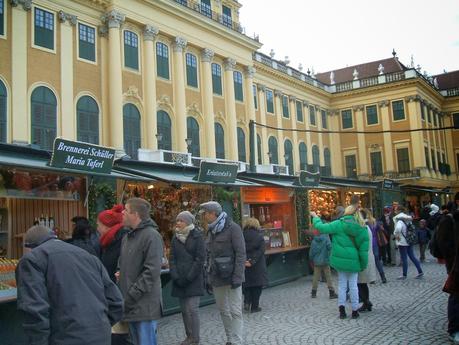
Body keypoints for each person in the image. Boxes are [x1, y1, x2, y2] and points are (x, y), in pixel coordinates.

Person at [16, 225, 124, 345]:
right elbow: (116, 302)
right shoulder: (89, 257)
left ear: (30, 247)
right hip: (100, 336)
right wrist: (98, 327)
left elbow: (34, 310)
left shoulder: (32, 260)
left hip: (64, 337)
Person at [311, 205, 369, 320]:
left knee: (342, 285)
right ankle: (354, 310)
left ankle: (342, 310)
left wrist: (315, 217)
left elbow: (321, 228)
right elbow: (364, 250)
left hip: (340, 261)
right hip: (354, 261)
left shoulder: (338, 224)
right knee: (353, 286)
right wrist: (363, 264)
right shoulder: (361, 227)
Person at [119, 197, 164, 345]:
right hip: (130, 305)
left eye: (126, 210)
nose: (122, 213)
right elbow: (126, 265)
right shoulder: (127, 236)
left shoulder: (152, 236)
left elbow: (151, 272)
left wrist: (131, 295)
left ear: (135, 214)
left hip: (144, 306)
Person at [200, 201, 245, 345]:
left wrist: (238, 277)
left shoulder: (233, 228)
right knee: (223, 310)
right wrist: (207, 276)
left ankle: (237, 341)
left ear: (213, 213)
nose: (204, 216)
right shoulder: (210, 230)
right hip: (216, 276)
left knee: (235, 311)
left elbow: (241, 253)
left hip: (232, 276)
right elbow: (208, 255)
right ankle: (230, 339)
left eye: (205, 213)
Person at [169, 211, 206, 345]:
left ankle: (195, 338)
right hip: (179, 280)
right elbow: (172, 259)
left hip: (193, 279)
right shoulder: (175, 238)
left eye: (181, 220)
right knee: (184, 311)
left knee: (192, 310)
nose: (178, 223)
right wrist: (175, 276)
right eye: (177, 220)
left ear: (188, 222)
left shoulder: (197, 236)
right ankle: (189, 336)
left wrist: (189, 277)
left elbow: (200, 259)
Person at [97, 204, 130, 345]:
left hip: (119, 296)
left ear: (107, 225)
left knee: (118, 336)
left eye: (99, 224)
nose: (97, 228)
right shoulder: (107, 241)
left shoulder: (122, 240)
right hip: (111, 295)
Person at [242, 217, 268, 313]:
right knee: (257, 286)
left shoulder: (241, 235)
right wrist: (252, 261)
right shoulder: (259, 236)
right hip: (257, 265)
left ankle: (247, 302)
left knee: (247, 284)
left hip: (243, 263)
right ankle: (254, 307)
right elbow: (261, 250)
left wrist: (245, 261)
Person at [393, 205, 424, 279]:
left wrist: (395, 234)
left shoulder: (399, 220)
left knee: (404, 258)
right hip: (409, 240)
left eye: (396, 210)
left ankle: (404, 274)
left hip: (402, 241)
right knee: (412, 256)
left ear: (399, 211)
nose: (395, 211)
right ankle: (420, 271)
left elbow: (398, 229)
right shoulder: (407, 218)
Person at [357, 209, 377, 312]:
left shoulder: (362, 228)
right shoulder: (366, 226)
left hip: (363, 258)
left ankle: (366, 302)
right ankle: (366, 301)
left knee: (360, 282)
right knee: (362, 282)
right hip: (367, 256)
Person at [309, 229, 338, 299]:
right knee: (328, 276)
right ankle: (331, 292)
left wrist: (311, 259)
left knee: (316, 277)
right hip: (325, 260)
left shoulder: (314, 241)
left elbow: (311, 253)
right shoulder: (326, 238)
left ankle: (313, 292)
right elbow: (330, 247)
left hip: (317, 262)